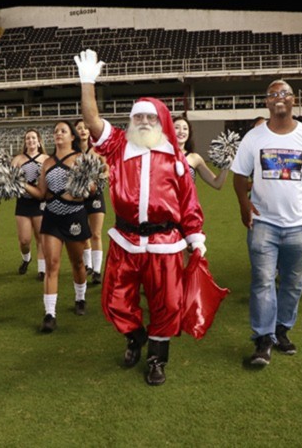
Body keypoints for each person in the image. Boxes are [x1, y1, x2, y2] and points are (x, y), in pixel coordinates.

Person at [76, 49, 207, 386]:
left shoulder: (175, 158)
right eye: (139, 117)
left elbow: (188, 201)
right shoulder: (119, 145)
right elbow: (92, 122)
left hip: (165, 243)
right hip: (126, 240)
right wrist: (87, 82)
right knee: (116, 300)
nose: (145, 122)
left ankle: (156, 359)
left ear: (161, 121)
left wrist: (195, 237)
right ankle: (135, 337)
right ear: (131, 120)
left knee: (167, 303)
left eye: (151, 117)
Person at [231, 79, 302, 367]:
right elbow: (239, 175)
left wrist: (297, 186)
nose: (279, 97)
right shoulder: (254, 138)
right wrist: (244, 204)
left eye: (284, 93)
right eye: (273, 94)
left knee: (293, 283)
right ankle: (263, 340)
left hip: (298, 224)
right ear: (267, 102)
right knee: (263, 281)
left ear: (293, 100)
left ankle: (282, 330)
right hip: (264, 223)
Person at [23, 121, 91, 333]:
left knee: (77, 263)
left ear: (72, 137)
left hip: (75, 216)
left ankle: (80, 298)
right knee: (51, 265)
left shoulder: (81, 159)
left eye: (63, 131)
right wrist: (20, 184)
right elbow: (42, 193)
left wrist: (85, 184)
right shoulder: (47, 162)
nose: (58, 133)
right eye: (55, 131)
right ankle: (49, 314)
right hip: (52, 217)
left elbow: (92, 188)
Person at [11, 129, 49, 281]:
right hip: (23, 202)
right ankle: (26, 258)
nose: (31, 140)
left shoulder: (46, 159)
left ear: (39, 141)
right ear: (25, 142)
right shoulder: (18, 159)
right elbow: (9, 179)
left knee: (41, 237)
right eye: (28, 138)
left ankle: (42, 270)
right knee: (24, 240)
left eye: (33, 138)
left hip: (40, 203)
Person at [75, 118, 108, 286]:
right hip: (78, 196)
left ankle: (97, 270)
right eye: (79, 128)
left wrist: (98, 180)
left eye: (85, 128)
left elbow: (107, 169)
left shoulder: (97, 150)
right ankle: (87, 265)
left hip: (95, 196)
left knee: (96, 233)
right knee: (83, 234)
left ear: (90, 131)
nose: (83, 130)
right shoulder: (71, 152)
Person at [173, 116, 229, 189]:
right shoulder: (161, 156)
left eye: (185, 128)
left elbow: (217, 184)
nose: (181, 131)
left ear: (189, 133)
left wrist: (226, 165)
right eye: (176, 128)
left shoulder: (195, 158)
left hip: (189, 196)